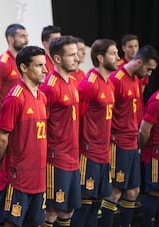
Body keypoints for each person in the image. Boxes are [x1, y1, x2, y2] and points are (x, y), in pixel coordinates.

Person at [101, 45, 159, 227]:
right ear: (139, 62)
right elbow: (106, 113)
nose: (149, 74)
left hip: (132, 142)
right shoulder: (116, 79)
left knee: (133, 191)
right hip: (118, 143)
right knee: (115, 192)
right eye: (148, 69)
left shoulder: (136, 80)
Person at [0, 46, 48, 227]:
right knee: (11, 223)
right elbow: (2, 138)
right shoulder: (15, 97)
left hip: (38, 177)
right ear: (24, 68)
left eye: (45, 65)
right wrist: (1, 166)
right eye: (39, 65)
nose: (45, 70)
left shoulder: (42, 96)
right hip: (18, 178)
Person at [70, 39, 120, 227]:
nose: (118, 58)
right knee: (83, 203)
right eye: (113, 54)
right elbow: (77, 119)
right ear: (100, 57)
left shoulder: (110, 84)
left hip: (104, 153)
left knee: (96, 203)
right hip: (88, 154)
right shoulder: (88, 84)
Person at [39, 35, 81, 227]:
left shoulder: (71, 83)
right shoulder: (49, 86)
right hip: (56, 158)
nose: (77, 58)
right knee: (52, 211)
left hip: (72, 156)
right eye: (72, 55)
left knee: (68, 209)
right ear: (57, 59)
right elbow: (41, 125)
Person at [139, 89, 159, 227]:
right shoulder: (156, 101)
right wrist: (142, 149)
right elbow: (144, 130)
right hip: (155, 154)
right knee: (154, 190)